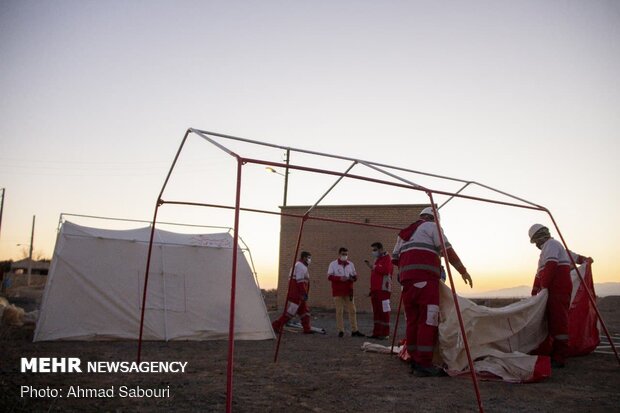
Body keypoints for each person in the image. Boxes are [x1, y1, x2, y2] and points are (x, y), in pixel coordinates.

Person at [392, 207, 473, 377]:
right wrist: (463, 271)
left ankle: (413, 358)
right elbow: (447, 250)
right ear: (435, 218)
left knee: (412, 321)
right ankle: (424, 363)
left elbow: (395, 258)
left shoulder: (404, 233)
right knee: (428, 321)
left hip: (407, 284)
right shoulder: (432, 227)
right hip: (426, 282)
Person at [528, 224, 593, 368]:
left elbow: (550, 266)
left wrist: (543, 286)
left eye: (535, 241)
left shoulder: (551, 245)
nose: (536, 245)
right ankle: (552, 351)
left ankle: (559, 356)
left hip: (558, 290)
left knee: (558, 322)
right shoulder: (552, 248)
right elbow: (540, 272)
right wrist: (535, 291)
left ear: (539, 237)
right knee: (551, 321)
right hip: (553, 291)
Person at [272, 251, 314, 334]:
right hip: (297, 294)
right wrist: (303, 293)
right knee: (290, 312)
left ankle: (307, 328)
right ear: (304, 258)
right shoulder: (300, 266)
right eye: (308, 257)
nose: (309, 259)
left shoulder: (299, 266)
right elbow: (300, 281)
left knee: (305, 312)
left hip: (297, 294)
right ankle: (276, 325)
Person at [327, 247, 364, 337]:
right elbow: (329, 276)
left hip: (349, 291)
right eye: (343, 254)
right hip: (338, 291)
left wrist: (353, 278)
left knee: (352, 310)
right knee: (339, 311)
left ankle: (354, 330)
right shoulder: (333, 264)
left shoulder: (350, 264)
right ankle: (341, 330)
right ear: (339, 254)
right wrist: (340, 278)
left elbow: (355, 276)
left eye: (346, 254)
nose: (345, 256)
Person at [364, 242, 393, 339]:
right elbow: (375, 275)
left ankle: (385, 333)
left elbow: (386, 270)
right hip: (375, 290)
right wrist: (371, 289)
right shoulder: (377, 259)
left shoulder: (387, 258)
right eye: (373, 250)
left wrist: (374, 267)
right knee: (376, 312)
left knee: (384, 311)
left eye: (375, 250)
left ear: (381, 249)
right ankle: (376, 333)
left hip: (384, 290)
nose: (374, 252)